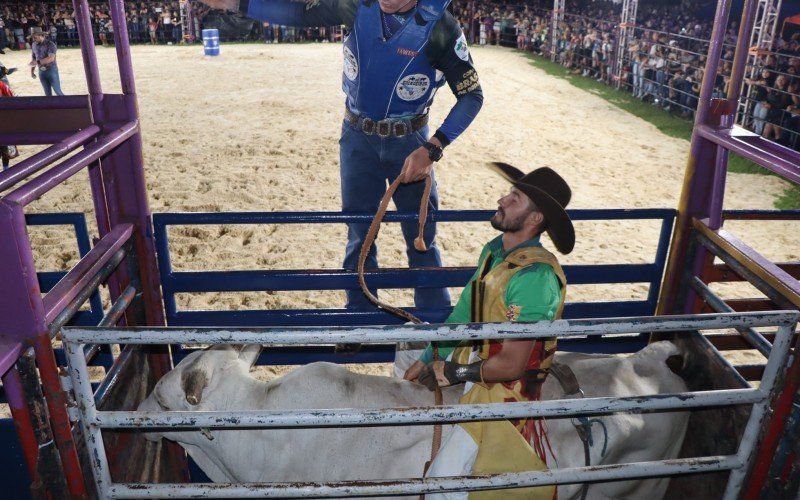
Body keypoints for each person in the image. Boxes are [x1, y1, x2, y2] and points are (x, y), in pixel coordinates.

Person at [196, 0, 483, 313]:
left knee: (421, 237)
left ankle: (435, 324)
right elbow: (296, 14)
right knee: (359, 234)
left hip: (411, 143)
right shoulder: (356, 6)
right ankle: (358, 317)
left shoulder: (441, 25)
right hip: (357, 139)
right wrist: (239, 3)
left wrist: (433, 148)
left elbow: (472, 96)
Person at [404, 163, 574, 500]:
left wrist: (454, 371)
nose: (502, 199)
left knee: (442, 484)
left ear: (535, 218)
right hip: (475, 357)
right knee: (405, 343)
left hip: (503, 390)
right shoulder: (496, 250)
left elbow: (512, 365)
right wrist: (426, 359)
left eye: (515, 198)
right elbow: (465, 311)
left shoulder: (535, 279)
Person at [29, 29, 64, 96]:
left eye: (35, 37)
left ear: (41, 36)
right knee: (47, 93)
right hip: (41, 71)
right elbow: (33, 58)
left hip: (51, 69)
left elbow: (51, 58)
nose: (33, 39)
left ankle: (67, 105)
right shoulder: (34, 45)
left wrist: (37, 62)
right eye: (33, 37)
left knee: (58, 91)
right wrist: (32, 71)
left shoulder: (50, 44)